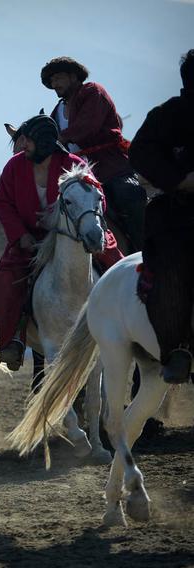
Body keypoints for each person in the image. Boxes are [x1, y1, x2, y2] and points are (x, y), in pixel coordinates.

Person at [0, 114, 123, 369]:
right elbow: (3, 202)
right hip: (30, 238)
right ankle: (13, 341)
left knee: (116, 266)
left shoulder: (73, 164)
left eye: (27, 141)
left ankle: (127, 325)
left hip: (74, 233)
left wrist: (85, 224)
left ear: (42, 142)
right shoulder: (14, 167)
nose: (22, 147)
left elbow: (98, 198)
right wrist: (20, 236)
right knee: (6, 276)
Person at [129, 49, 194, 383]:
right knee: (173, 272)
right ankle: (176, 349)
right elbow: (139, 153)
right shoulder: (168, 115)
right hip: (180, 217)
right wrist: (179, 179)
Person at [41, 56, 146, 253]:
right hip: (79, 173)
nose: (54, 84)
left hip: (110, 167)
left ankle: (147, 252)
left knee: (129, 194)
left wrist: (59, 139)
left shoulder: (93, 91)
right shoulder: (57, 110)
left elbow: (87, 126)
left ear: (73, 76)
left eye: (59, 78)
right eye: (52, 81)